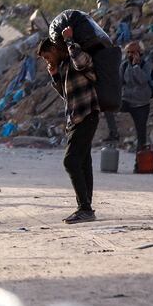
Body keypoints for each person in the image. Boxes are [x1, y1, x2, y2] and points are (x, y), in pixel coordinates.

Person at [38, 26, 100, 224]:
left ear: (55, 49)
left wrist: (70, 40)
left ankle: (85, 208)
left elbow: (83, 63)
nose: (47, 61)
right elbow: (66, 95)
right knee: (83, 162)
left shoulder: (77, 56)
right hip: (76, 118)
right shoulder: (64, 65)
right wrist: (55, 75)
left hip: (87, 114)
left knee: (70, 161)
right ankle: (86, 206)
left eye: (47, 57)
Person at [119, 41, 153, 154]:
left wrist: (136, 66)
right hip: (127, 100)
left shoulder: (146, 65)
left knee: (141, 132)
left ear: (140, 52)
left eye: (133, 52)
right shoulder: (124, 65)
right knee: (109, 108)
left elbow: (143, 80)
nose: (130, 55)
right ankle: (113, 134)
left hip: (141, 103)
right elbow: (120, 82)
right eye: (128, 52)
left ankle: (140, 161)